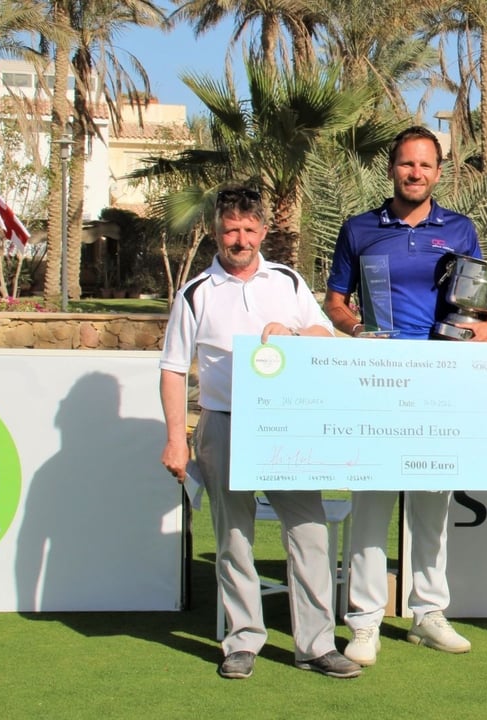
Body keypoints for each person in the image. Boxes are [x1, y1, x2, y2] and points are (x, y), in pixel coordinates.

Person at [159, 187, 361, 680]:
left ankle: (315, 645)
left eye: (250, 229)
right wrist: (176, 438)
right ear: (216, 231)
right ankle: (242, 640)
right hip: (223, 423)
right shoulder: (196, 292)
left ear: (264, 232)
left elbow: (324, 336)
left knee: (310, 531)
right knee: (233, 535)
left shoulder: (287, 281)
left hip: (285, 424)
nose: (240, 239)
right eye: (231, 229)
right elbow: (171, 369)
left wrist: (290, 334)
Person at [323, 125, 487, 665]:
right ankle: (364, 621)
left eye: (425, 165)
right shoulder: (359, 229)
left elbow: (484, 311)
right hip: (377, 380)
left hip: (439, 382)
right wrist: (358, 331)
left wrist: (472, 339)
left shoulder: (460, 229)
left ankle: (428, 614)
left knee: (430, 504)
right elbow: (334, 302)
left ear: (439, 172)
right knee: (371, 503)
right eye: (406, 164)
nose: (415, 173)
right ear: (391, 169)